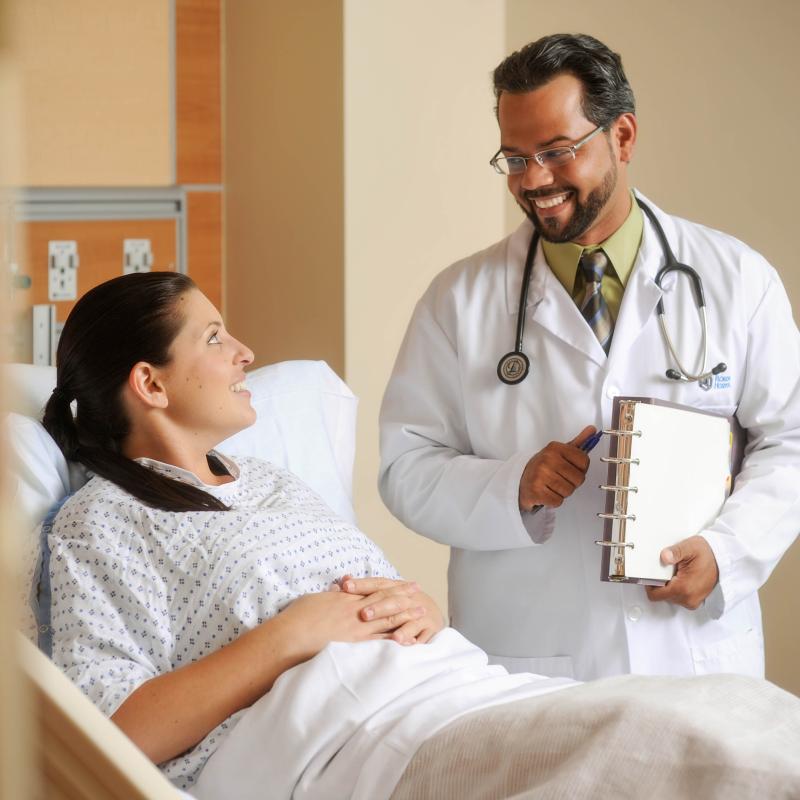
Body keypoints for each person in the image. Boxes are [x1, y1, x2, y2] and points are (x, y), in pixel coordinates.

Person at [37, 273, 800, 799]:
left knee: (731, 711)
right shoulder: (103, 521)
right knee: (682, 749)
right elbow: (111, 729)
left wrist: (420, 610)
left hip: (457, 689)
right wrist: (291, 636)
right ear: (150, 382)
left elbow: (381, 600)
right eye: (214, 338)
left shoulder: (273, 481)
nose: (245, 353)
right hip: (361, 740)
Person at [379, 33, 800, 682]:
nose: (534, 180)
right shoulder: (458, 300)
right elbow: (405, 466)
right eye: (515, 159)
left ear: (621, 137)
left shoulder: (736, 279)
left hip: (693, 655)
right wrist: (512, 484)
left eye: (556, 152)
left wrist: (728, 553)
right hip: (534, 663)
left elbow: (790, 441)